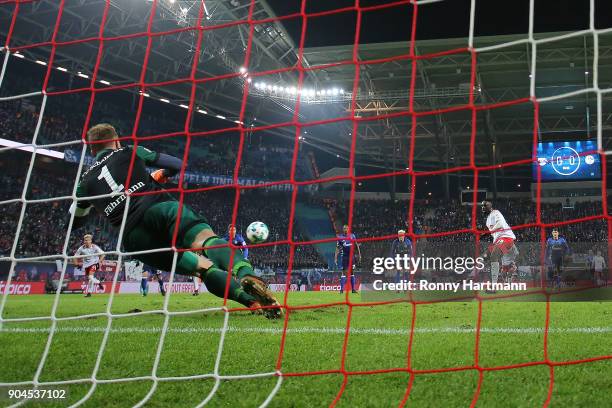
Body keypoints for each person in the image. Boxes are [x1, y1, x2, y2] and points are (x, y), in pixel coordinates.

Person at [70, 123, 280, 318]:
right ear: (116, 141)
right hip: (159, 208)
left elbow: (75, 222)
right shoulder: (128, 151)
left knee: (202, 268)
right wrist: (158, 176)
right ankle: (247, 275)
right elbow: (176, 164)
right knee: (205, 240)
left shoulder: (84, 184)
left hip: (135, 238)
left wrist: (95, 205)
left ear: (91, 150)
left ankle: (251, 302)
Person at [481, 200, 519, 292]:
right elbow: (494, 233)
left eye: (485, 205)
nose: (482, 207)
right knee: (485, 255)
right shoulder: (487, 221)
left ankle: (494, 287)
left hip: (506, 238)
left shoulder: (495, 212)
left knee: (494, 256)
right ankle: (511, 260)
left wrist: (488, 232)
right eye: (482, 206)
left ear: (490, 206)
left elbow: (501, 224)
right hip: (499, 241)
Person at [334, 224, 361, 294]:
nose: (345, 229)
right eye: (344, 228)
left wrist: (359, 254)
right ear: (343, 229)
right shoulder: (340, 237)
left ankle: (353, 290)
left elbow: (356, 245)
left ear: (348, 229)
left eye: (346, 228)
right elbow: (337, 248)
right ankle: (341, 290)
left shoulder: (352, 236)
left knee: (352, 272)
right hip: (344, 257)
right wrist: (335, 257)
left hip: (352, 257)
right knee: (344, 272)